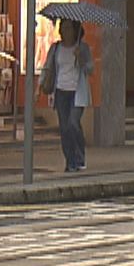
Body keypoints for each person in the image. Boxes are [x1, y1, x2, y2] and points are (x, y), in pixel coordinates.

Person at [43, 19, 94, 172]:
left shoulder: (82, 48)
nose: (65, 31)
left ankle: (79, 157)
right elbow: (48, 67)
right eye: (63, 28)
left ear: (75, 30)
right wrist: (39, 87)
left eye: (69, 28)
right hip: (60, 91)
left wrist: (81, 58)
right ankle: (70, 160)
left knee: (73, 123)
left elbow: (90, 69)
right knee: (64, 128)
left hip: (77, 93)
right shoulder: (56, 47)